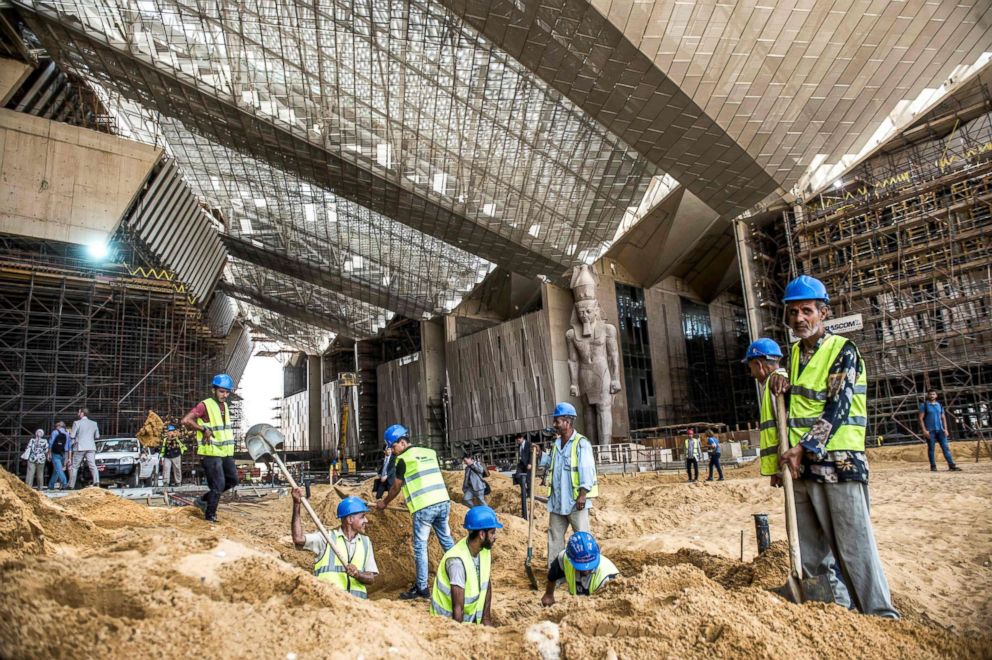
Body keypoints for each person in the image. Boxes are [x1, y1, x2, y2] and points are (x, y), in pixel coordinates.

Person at [768, 275, 900, 619]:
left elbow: (838, 407)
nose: (799, 318)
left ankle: (880, 615)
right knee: (811, 554)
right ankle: (832, 615)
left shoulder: (843, 351)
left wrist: (804, 447)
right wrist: (779, 376)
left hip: (839, 464)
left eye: (807, 310)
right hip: (801, 468)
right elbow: (797, 406)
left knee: (853, 549)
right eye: (793, 312)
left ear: (823, 313)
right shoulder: (794, 356)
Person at [375, 424, 454, 600]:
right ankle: (461, 574)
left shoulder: (402, 459)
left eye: (393, 446)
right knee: (447, 541)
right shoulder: (430, 452)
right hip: (442, 501)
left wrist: (384, 502)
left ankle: (422, 587)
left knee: (420, 547)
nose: (393, 451)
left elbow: (396, 487)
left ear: (402, 442)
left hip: (424, 507)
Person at [292, 491, 377, 598]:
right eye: (362, 517)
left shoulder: (366, 542)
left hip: (356, 608)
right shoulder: (327, 538)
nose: (366, 520)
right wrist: (296, 504)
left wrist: (357, 574)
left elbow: (371, 578)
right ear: (350, 519)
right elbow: (298, 539)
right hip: (330, 604)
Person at [546, 402, 598, 568]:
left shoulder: (581, 443)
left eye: (558, 421)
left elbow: (586, 470)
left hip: (576, 501)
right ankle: (555, 573)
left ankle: (588, 570)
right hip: (557, 502)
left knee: (582, 537)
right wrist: (538, 455)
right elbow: (549, 465)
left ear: (567, 422)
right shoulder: (556, 445)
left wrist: (583, 494)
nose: (555, 424)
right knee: (554, 538)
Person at [182, 374, 239, 523]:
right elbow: (186, 420)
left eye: (227, 392)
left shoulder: (225, 406)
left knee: (233, 480)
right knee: (218, 485)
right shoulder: (205, 405)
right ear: (214, 390)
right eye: (221, 391)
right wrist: (202, 429)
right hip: (211, 452)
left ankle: (202, 501)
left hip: (225, 452)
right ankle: (210, 516)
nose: (224, 395)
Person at [430, 505, 501, 624]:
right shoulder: (457, 562)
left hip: (471, 620)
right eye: (492, 532)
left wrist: (486, 619)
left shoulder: (484, 551)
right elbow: (458, 609)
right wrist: (461, 635)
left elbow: (486, 584)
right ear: (482, 534)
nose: (495, 537)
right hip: (445, 624)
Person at [743, 338, 788, 487]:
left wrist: (781, 468)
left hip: (789, 464)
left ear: (758, 364)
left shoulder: (775, 384)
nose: (751, 374)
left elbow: (784, 429)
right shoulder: (779, 380)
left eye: (751, 368)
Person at [541, 531, 618, 606]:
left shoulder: (608, 578)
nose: (586, 569)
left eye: (590, 565)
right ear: (570, 558)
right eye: (581, 566)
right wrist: (549, 594)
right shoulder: (564, 558)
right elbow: (552, 575)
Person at [918, 389, 961, 472]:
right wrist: (924, 430)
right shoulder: (924, 405)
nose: (932, 396)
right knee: (931, 449)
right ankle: (933, 467)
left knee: (946, 448)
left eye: (933, 394)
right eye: (930, 394)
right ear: (928, 395)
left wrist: (945, 429)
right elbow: (920, 419)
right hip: (930, 431)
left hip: (940, 431)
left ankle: (951, 466)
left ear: (936, 395)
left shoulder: (939, 405)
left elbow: (943, 418)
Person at [68, 408, 100, 489]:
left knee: (75, 467)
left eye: (79, 412)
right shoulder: (94, 423)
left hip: (80, 447)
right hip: (91, 447)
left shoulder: (76, 423)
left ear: (82, 413)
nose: (78, 414)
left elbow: (72, 435)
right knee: (92, 465)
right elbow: (97, 436)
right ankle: (96, 481)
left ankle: (71, 485)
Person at [514, 434, 532, 519]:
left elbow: (531, 454)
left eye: (518, 440)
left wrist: (530, 463)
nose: (517, 442)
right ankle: (523, 488)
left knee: (528, 480)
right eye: (517, 440)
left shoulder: (528, 444)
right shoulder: (519, 446)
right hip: (521, 464)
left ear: (522, 438)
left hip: (528, 464)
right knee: (517, 476)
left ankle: (529, 493)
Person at [47, 421, 70, 490]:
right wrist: (68, 456)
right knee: (56, 470)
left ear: (58, 426)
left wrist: (49, 453)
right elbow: (69, 446)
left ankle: (64, 483)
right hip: (64, 453)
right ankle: (51, 485)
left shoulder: (55, 432)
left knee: (59, 469)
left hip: (56, 453)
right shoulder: (67, 433)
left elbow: (51, 443)